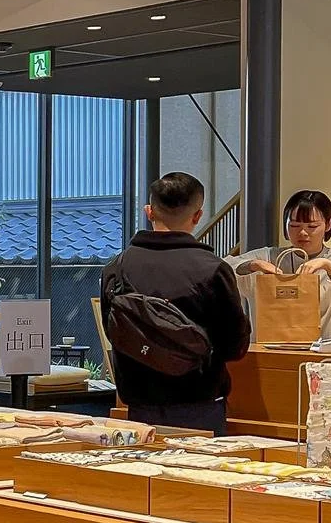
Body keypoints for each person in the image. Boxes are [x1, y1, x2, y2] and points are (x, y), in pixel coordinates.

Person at [100, 172, 251, 434]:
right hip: (199, 406)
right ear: (197, 216)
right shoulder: (213, 270)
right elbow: (235, 347)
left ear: (149, 212)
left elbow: (115, 333)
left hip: (138, 408)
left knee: (143, 473)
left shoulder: (117, 268)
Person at [226, 190, 331, 340]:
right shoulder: (268, 256)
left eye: (312, 227)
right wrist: (252, 265)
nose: (303, 233)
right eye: (294, 225)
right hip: (267, 352)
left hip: (321, 352)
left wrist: (330, 267)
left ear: (328, 224)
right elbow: (221, 269)